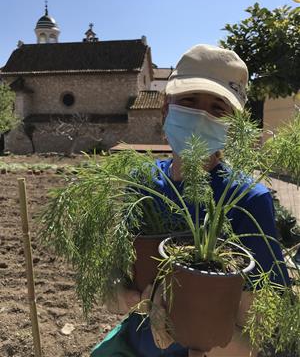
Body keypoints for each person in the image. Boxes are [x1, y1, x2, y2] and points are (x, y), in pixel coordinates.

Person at [91, 44, 290, 357]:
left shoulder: (249, 200)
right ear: (166, 108)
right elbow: (108, 289)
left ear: (233, 125)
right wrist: (138, 301)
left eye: (217, 108)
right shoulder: (143, 184)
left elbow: (256, 334)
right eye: (190, 100)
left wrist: (188, 331)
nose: (201, 115)